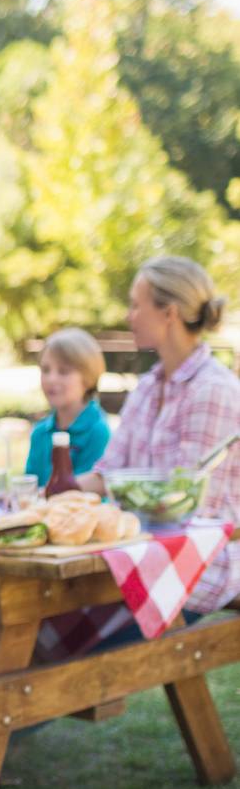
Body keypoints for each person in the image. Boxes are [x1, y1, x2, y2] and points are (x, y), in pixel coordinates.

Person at [80, 257, 240, 614]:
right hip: (143, 550)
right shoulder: (149, 386)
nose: (129, 315)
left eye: (137, 305)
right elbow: (107, 472)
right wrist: (54, 493)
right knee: (53, 610)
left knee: (67, 616)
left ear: (169, 313)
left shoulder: (212, 390)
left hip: (199, 561)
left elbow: (190, 503)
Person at [25, 328, 112, 486]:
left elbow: (86, 492)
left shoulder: (98, 432)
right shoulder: (40, 433)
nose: (51, 379)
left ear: (88, 377)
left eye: (63, 371)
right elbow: (30, 486)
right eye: (45, 370)